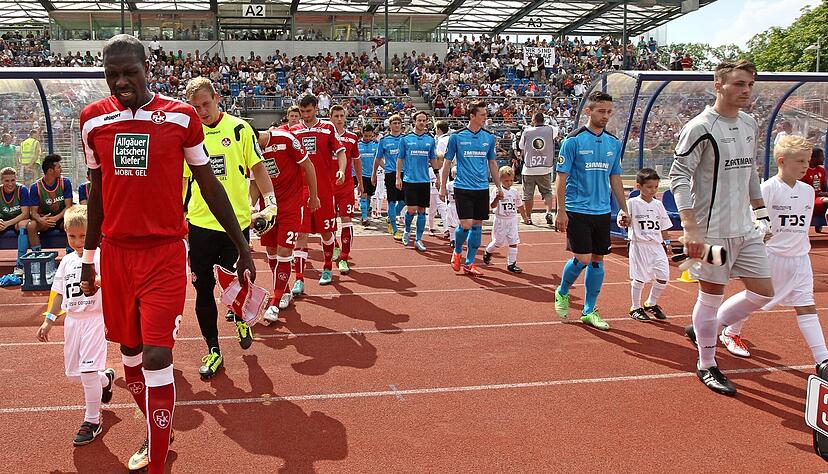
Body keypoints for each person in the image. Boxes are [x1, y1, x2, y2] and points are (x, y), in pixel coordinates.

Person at [79, 34, 255, 472]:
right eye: (112, 74)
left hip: (164, 253)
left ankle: (158, 462)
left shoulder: (179, 117)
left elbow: (208, 182)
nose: (121, 81)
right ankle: (159, 430)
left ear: (147, 68)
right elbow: (97, 194)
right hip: (116, 256)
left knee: (158, 356)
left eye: (129, 72)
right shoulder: (92, 121)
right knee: (131, 359)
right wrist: (88, 257)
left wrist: (240, 241)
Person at [670, 59, 774, 396]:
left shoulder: (749, 124)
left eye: (749, 85)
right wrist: (690, 227)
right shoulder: (700, 126)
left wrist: (761, 213)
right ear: (719, 86)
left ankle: (707, 328)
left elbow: (751, 173)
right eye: (739, 84)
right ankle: (706, 363)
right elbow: (678, 176)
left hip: (746, 230)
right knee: (710, 296)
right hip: (712, 233)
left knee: (763, 291)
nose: (746, 91)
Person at [184, 77, 276, 378]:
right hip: (199, 225)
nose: (201, 112)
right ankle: (213, 350)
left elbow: (258, 168)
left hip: (235, 224)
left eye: (205, 104)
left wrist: (271, 203)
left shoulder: (239, 129)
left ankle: (238, 315)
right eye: (195, 107)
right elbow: (181, 180)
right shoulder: (188, 134)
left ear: (217, 98)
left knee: (238, 280)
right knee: (203, 289)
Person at [708, 135, 828, 366]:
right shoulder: (768, 189)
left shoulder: (806, 191)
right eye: (800, 161)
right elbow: (750, 219)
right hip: (771, 256)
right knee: (756, 299)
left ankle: (823, 360)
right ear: (782, 161)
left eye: (807, 161)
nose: (805, 166)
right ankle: (721, 329)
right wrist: (759, 231)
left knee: (806, 304)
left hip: (800, 258)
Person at [36, 205, 115, 446]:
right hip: (73, 322)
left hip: (94, 319)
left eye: (83, 236)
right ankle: (106, 380)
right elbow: (58, 293)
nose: (78, 241)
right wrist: (49, 320)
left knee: (88, 372)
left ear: (94, 234)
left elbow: (114, 281)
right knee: (79, 375)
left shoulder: (100, 256)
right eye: (72, 236)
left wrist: (97, 281)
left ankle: (92, 420)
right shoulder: (67, 262)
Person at [553, 90, 628, 331]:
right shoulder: (572, 141)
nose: (605, 116)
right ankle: (563, 291)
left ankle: (589, 310)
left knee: (598, 260)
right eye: (601, 111)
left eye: (609, 112)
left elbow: (615, 177)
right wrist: (560, 211)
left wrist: (623, 208)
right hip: (577, 209)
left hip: (602, 210)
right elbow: (561, 179)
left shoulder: (613, 143)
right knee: (582, 258)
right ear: (589, 111)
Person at [256, 121, 320, 322]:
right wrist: (251, 206)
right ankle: (283, 291)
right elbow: (253, 181)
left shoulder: (285, 139)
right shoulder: (250, 150)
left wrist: (314, 196)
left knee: (285, 251)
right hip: (267, 209)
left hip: (292, 206)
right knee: (271, 253)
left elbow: (308, 165)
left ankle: (274, 303)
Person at [290, 93, 346, 291]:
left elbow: (340, 151)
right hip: (301, 192)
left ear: (316, 108)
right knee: (301, 234)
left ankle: (328, 267)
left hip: (323, 190)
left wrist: (340, 169)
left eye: (309, 111)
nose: (305, 115)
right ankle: (299, 279)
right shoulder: (294, 131)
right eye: (302, 111)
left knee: (326, 231)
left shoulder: (327, 128)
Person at [439, 101, 503, 277]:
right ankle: (457, 251)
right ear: (472, 116)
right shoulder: (456, 137)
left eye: (486, 114)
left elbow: (492, 163)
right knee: (465, 224)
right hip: (463, 187)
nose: (485, 118)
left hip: (481, 188)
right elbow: (446, 163)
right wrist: (443, 187)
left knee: (477, 225)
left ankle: (470, 262)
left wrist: (498, 186)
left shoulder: (489, 137)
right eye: (482, 115)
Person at [625, 168, 672, 322]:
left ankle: (651, 303)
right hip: (639, 245)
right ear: (639, 186)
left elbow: (663, 225)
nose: (653, 190)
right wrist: (623, 220)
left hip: (656, 245)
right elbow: (622, 220)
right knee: (639, 278)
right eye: (649, 187)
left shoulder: (658, 204)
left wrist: (667, 242)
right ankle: (635, 307)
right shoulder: (632, 203)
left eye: (656, 187)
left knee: (663, 277)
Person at [396, 110, 437, 251]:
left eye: (424, 120)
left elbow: (433, 158)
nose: (422, 123)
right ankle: (407, 230)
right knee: (411, 210)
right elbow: (400, 159)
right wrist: (398, 177)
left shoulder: (430, 140)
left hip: (424, 180)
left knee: (422, 211)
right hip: (409, 180)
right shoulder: (405, 139)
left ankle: (419, 239)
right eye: (419, 120)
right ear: (414, 121)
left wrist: (437, 175)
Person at [330, 104, 362, 273]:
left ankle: (344, 256)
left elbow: (356, 161)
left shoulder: (351, 137)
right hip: (328, 186)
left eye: (342, 116)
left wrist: (361, 183)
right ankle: (334, 245)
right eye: (336, 116)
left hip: (346, 186)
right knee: (328, 223)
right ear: (330, 117)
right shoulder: (324, 137)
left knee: (347, 220)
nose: (339, 119)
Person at [26, 153, 73, 251]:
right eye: (59, 167)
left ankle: (70, 253)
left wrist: (55, 218)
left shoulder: (65, 182)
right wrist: (40, 220)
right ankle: (37, 255)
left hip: (61, 218)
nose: (61, 170)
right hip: (45, 219)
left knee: (71, 222)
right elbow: (33, 212)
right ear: (50, 170)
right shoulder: (36, 187)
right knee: (31, 226)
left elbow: (69, 207)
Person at [482, 166, 524, 272]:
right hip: (501, 220)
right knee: (498, 242)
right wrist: (497, 198)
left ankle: (511, 264)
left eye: (511, 180)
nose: (509, 183)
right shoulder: (496, 190)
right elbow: (492, 206)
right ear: (500, 180)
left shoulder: (514, 191)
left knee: (514, 241)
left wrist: (525, 217)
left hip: (512, 219)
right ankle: (488, 251)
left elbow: (519, 205)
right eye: (506, 180)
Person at [519, 112, 558, 226]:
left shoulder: (527, 131)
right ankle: (549, 212)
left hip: (529, 168)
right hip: (545, 167)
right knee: (547, 192)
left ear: (534, 120)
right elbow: (555, 127)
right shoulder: (551, 130)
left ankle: (529, 217)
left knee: (528, 194)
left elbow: (521, 146)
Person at [374, 114, 405, 240]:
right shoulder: (384, 140)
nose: (397, 125)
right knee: (391, 201)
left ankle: (390, 216)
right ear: (390, 125)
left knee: (405, 200)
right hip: (391, 174)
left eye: (399, 123)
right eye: (394, 123)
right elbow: (378, 158)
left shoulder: (406, 139)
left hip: (405, 173)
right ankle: (394, 227)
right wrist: (379, 171)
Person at [0, 167, 30, 275]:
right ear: (2, 181)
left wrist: (7, 223)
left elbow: (25, 213)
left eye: (12, 180)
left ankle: (20, 264)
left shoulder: (22, 190)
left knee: (23, 224)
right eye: (6, 181)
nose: (10, 183)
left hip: (18, 221)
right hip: (3, 222)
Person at [427, 120, 449, 236]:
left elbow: (441, 157)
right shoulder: (450, 139)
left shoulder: (441, 141)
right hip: (431, 191)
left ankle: (446, 228)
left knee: (443, 207)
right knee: (431, 210)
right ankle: (431, 227)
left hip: (442, 177)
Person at [801, 147, 828, 232]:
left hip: (819, 199)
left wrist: (824, 193)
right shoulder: (804, 171)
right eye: (821, 156)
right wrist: (823, 194)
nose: (823, 158)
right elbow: (805, 192)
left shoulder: (821, 170)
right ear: (813, 158)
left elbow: (824, 187)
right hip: (809, 200)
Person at [357, 124, 379, 225]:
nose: (368, 138)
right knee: (363, 195)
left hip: (372, 175)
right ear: (362, 134)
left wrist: (387, 168)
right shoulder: (357, 145)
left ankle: (366, 212)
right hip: (362, 175)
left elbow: (378, 160)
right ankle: (364, 218)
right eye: (366, 136)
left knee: (369, 196)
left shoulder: (375, 144)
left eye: (370, 136)